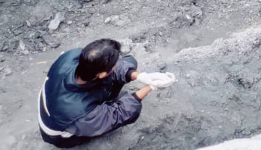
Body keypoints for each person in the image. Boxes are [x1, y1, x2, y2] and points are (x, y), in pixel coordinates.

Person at [37, 38, 174, 147]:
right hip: (61, 134)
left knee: (129, 62)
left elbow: (120, 67)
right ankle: (103, 109)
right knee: (127, 107)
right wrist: (151, 86)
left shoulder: (74, 56)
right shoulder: (81, 114)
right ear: (101, 74)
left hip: (57, 99)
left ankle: (106, 100)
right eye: (114, 64)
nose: (117, 63)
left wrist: (139, 76)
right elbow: (119, 115)